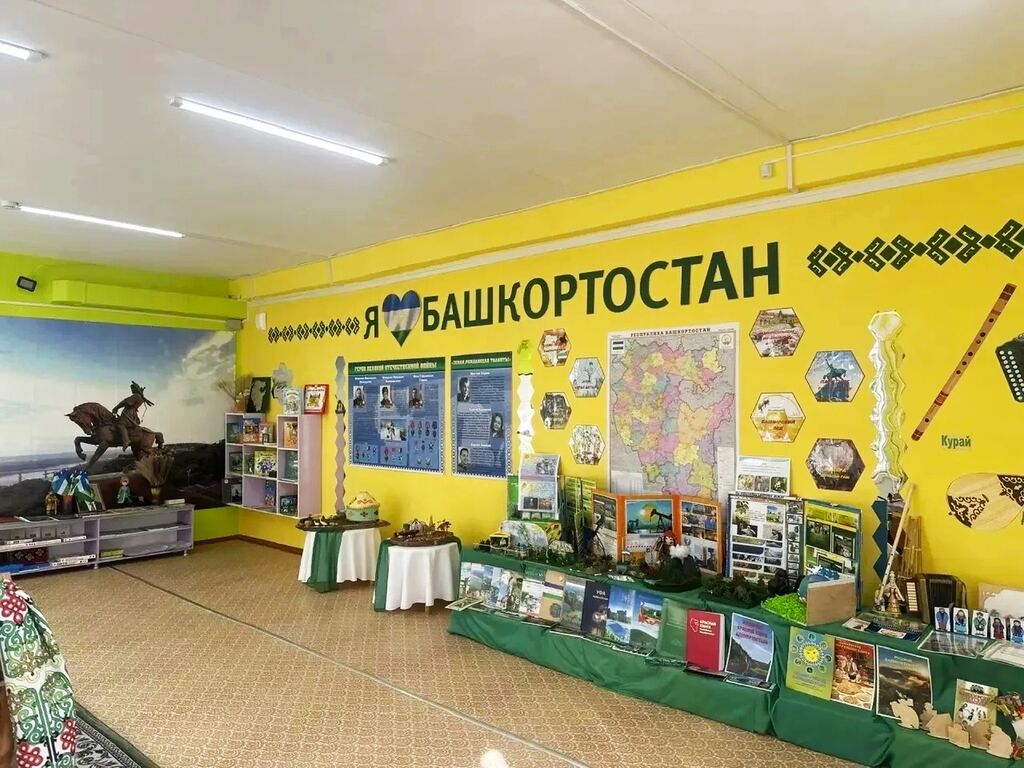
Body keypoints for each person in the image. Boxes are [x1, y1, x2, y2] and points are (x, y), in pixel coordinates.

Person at [111, 381, 154, 451]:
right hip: (133, 414)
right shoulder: (140, 397)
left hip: (129, 413)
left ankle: (126, 440)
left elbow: (126, 402)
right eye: (131, 389)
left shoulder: (136, 396)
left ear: (136, 389)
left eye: (132, 389)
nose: (132, 390)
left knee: (121, 425)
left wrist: (116, 407)